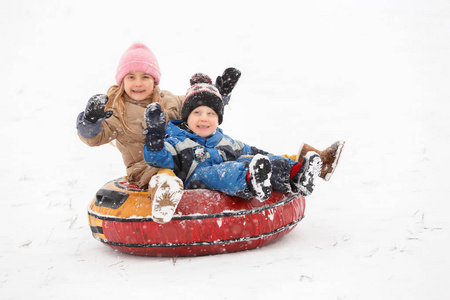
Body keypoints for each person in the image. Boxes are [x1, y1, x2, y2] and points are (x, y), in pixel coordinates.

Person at [76, 42, 241, 223]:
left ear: (154, 80)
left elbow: (197, 104)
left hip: (180, 157)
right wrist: (91, 121)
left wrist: (218, 92)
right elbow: (95, 138)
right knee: (164, 174)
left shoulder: (168, 100)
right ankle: (165, 198)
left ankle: (251, 172)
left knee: (217, 156)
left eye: (145, 76)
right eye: (131, 77)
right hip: (146, 167)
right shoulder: (117, 111)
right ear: (122, 80)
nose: (138, 83)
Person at [142, 73, 327, 222]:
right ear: (186, 118)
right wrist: (155, 137)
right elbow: (157, 158)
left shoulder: (225, 141)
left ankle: (296, 175)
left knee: (256, 159)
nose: (204, 118)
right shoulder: (177, 141)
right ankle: (251, 180)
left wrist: (279, 162)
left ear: (218, 119)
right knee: (224, 170)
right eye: (196, 112)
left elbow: (254, 152)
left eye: (211, 113)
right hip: (196, 179)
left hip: (236, 171)